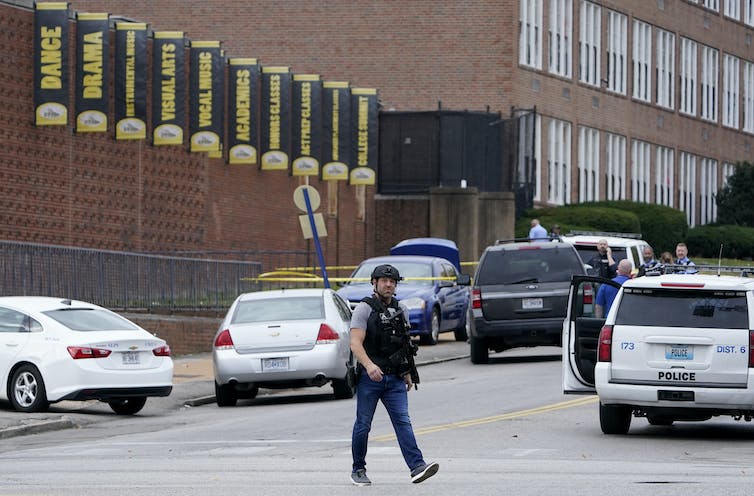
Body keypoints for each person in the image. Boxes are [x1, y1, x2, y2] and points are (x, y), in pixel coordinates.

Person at [349, 264, 439, 486]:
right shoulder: (364, 309)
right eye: (384, 281)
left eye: (392, 282)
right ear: (374, 283)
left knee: (403, 422)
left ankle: (417, 466)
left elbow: (404, 345)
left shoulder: (401, 309)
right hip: (370, 378)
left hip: (395, 378)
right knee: (363, 424)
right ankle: (358, 469)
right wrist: (369, 366)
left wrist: (407, 372)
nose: (388, 284)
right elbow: (354, 343)